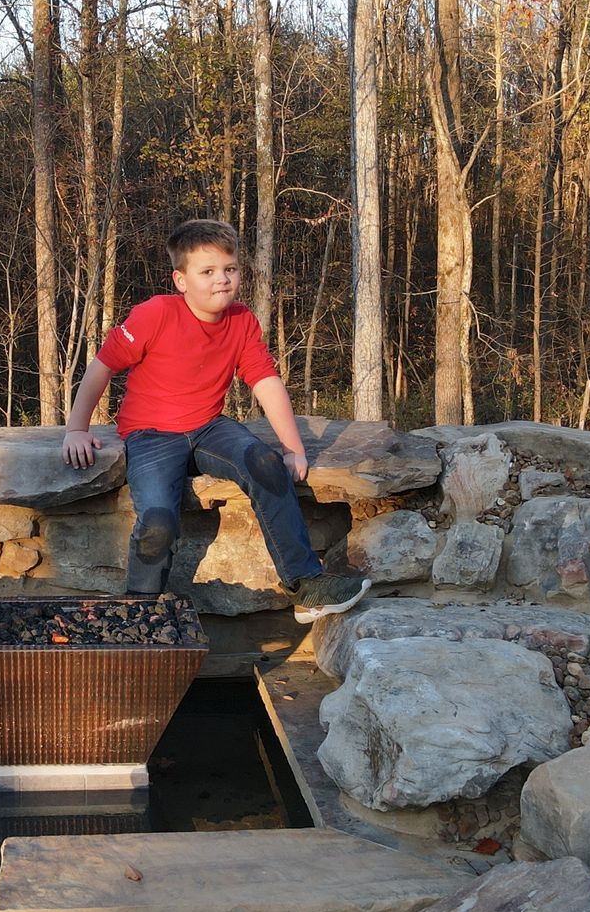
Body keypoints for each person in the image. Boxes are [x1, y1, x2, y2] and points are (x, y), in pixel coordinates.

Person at [61, 218, 370, 623]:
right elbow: (102, 366)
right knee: (157, 520)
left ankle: (306, 584)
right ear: (181, 280)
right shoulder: (155, 314)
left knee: (264, 462)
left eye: (230, 269)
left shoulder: (241, 321)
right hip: (151, 436)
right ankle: (139, 612)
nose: (222, 280)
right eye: (207, 272)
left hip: (209, 427)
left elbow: (266, 382)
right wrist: (76, 429)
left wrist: (293, 449)